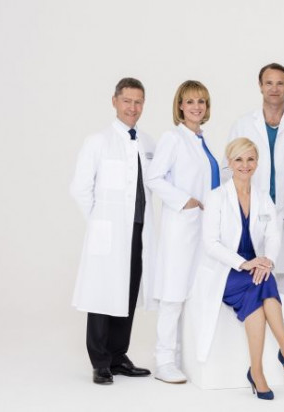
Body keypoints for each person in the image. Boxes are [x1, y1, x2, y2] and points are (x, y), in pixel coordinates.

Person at [188, 138, 284, 400]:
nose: (244, 165)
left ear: (257, 163)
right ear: (230, 162)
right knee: (263, 282)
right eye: (238, 159)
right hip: (226, 269)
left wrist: (267, 259)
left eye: (250, 159)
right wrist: (244, 263)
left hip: (254, 267)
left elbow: (273, 236)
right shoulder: (216, 197)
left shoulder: (262, 197)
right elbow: (210, 243)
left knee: (262, 283)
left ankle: (257, 372)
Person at [70, 77, 155, 384]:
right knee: (101, 294)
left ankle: (119, 357)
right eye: (127, 101)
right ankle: (100, 362)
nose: (133, 107)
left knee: (128, 293)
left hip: (139, 230)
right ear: (115, 101)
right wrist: (99, 223)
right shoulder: (98, 141)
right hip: (108, 234)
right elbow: (80, 188)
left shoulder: (148, 142)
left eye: (138, 102)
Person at [145, 80, 221, 384]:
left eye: (201, 101)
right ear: (180, 106)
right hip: (182, 227)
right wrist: (184, 200)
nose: (196, 107)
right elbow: (154, 177)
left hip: (202, 230)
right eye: (190, 101)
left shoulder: (202, 140)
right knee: (173, 294)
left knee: (193, 292)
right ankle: (164, 361)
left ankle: (182, 358)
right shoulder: (173, 138)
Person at [227, 63, 284, 355]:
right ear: (260, 86)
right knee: (254, 283)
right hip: (251, 219)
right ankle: (261, 356)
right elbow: (229, 169)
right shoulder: (243, 124)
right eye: (268, 83)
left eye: (280, 83)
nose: (274, 88)